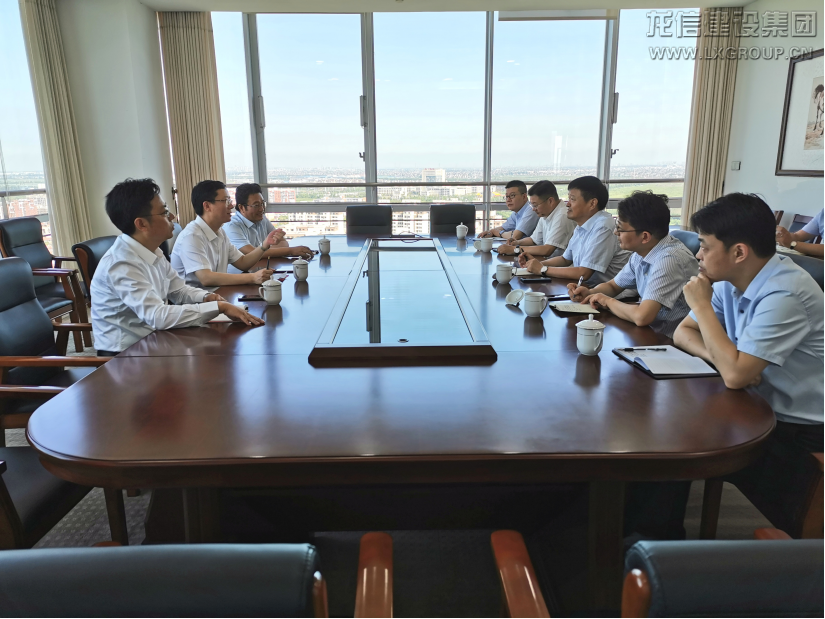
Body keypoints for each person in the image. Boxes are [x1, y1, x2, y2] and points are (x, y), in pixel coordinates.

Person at [674, 193, 823, 535]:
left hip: (800, 431)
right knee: (674, 450)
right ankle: (655, 536)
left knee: (683, 456)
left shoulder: (785, 292)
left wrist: (703, 308)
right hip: (755, 407)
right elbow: (683, 333)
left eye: (704, 246)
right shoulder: (733, 281)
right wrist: (724, 358)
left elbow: (736, 376)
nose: (698, 255)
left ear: (739, 252)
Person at [91, 178, 263, 355]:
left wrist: (207, 297)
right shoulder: (121, 263)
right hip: (125, 356)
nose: (172, 217)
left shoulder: (153, 250)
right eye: (165, 212)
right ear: (141, 224)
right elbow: (157, 316)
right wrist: (219, 307)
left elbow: (179, 291)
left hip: (155, 340)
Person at [566, 191, 698, 338]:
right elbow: (613, 286)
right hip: (650, 333)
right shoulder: (642, 252)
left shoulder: (670, 259)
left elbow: (642, 317)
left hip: (671, 341)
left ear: (645, 236)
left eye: (620, 228)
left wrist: (607, 301)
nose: (615, 232)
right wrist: (590, 293)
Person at [171, 180, 277, 291]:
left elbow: (242, 262)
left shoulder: (220, 232)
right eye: (226, 201)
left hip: (218, 294)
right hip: (196, 300)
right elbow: (206, 278)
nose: (231, 206)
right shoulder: (192, 236)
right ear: (207, 206)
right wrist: (253, 277)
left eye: (229, 201)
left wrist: (264, 246)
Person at [523, 176, 630, 285]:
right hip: (587, 288)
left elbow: (584, 273)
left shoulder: (604, 227)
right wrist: (537, 264)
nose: (567, 204)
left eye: (572, 199)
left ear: (592, 203)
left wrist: (542, 269)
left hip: (609, 292)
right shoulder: (582, 225)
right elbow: (565, 259)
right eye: (569, 199)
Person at [223, 183, 313, 274]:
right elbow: (251, 253)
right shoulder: (232, 226)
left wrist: (265, 251)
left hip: (261, 269)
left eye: (262, 204)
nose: (261, 209)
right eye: (256, 205)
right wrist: (291, 251)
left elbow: (283, 243)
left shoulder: (261, 219)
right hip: (239, 276)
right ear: (242, 207)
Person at [496, 180, 575, 260]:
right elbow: (533, 240)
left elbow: (547, 250)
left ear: (550, 201)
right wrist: (517, 242)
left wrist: (514, 249)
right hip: (547, 261)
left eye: (535, 205)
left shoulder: (562, 215)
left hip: (558, 265)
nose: (533, 209)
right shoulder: (545, 213)